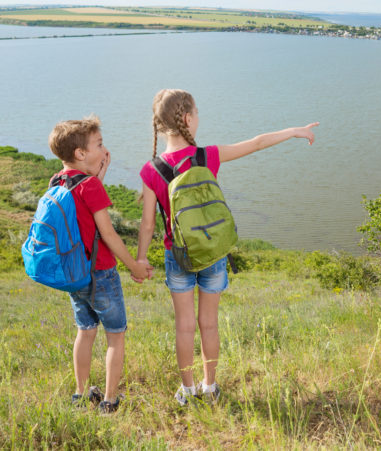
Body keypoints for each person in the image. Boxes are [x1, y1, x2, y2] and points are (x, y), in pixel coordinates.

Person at [136, 89, 318, 406]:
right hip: (213, 253)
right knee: (209, 324)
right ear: (188, 119)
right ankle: (210, 387)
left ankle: (187, 390)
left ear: (160, 125)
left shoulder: (153, 170)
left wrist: (139, 259)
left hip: (177, 256)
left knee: (184, 327)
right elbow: (257, 143)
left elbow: (148, 224)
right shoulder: (207, 156)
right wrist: (294, 131)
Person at [48, 116, 153, 413]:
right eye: (99, 144)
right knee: (115, 335)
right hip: (102, 274)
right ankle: (109, 400)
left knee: (85, 331)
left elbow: (79, 214)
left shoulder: (57, 180)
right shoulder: (91, 186)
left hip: (75, 273)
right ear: (81, 153)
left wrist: (98, 175)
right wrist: (133, 265)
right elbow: (107, 234)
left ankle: (81, 394)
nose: (104, 149)